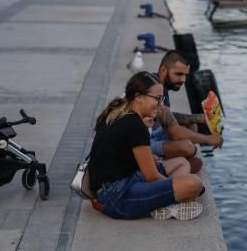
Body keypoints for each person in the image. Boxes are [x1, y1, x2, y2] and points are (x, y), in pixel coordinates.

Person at [89, 71, 203, 220]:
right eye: (157, 98)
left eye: (161, 98)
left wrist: (170, 187)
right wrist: (179, 188)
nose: (160, 104)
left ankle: (162, 203)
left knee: (181, 163)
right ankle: (165, 203)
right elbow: (152, 176)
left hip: (113, 185)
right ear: (139, 97)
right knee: (193, 184)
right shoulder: (135, 125)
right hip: (116, 197)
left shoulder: (117, 111)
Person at [150, 50, 222, 170]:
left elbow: (167, 117)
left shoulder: (160, 85)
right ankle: (164, 163)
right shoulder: (153, 90)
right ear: (163, 71)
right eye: (178, 74)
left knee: (191, 126)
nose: (183, 80)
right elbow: (175, 132)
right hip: (142, 144)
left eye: (185, 75)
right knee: (187, 148)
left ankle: (174, 160)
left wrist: (199, 118)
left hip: (154, 133)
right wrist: (208, 139)